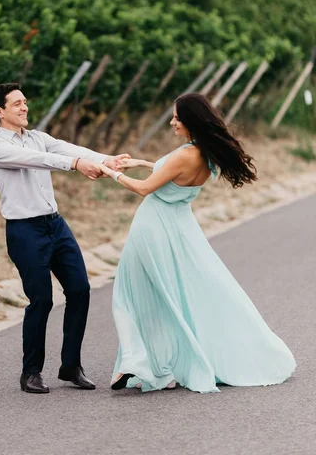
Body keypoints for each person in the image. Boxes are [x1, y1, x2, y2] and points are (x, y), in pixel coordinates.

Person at [99, 93, 296, 393]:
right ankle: (156, 364)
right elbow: (173, 172)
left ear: (190, 120)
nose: (172, 122)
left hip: (153, 228)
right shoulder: (204, 154)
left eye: (177, 117)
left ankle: (138, 364)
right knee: (171, 294)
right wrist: (141, 161)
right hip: (180, 228)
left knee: (128, 295)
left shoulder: (184, 155)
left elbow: (144, 189)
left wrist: (110, 172)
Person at [0, 82, 129, 394]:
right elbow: (42, 161)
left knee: (80, 290)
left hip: (55, 226)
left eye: (25, 102)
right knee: (42, 299)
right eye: (16, 104)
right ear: (0, 111)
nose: (24, 107)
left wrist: (106, 159)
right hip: (24, 231)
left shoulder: (38, 138)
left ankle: (71, 366)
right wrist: (77, 165)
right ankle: (31, 373)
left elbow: (66, 148)